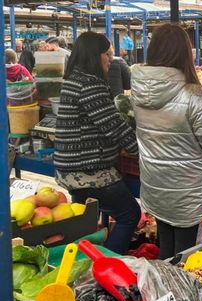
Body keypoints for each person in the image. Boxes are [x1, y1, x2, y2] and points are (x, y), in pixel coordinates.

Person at [130, 24, 202, 259]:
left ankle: (165, 291)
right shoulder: (192, 93)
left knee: (167, 251)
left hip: (156, 184)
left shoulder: (139, 91)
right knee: (187, 257)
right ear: (184, 53)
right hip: (189, 192)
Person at [54, 31, 140, 255]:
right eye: (107, 54)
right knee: (130, 214)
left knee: (85, 222)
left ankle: (85, 261)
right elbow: (113, 126)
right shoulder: (90, 84)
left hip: (70, 168)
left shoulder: (73, 79)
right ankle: (107, 264)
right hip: (88, 171)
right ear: (95, 56)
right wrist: (143, 150)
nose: (111, 60)